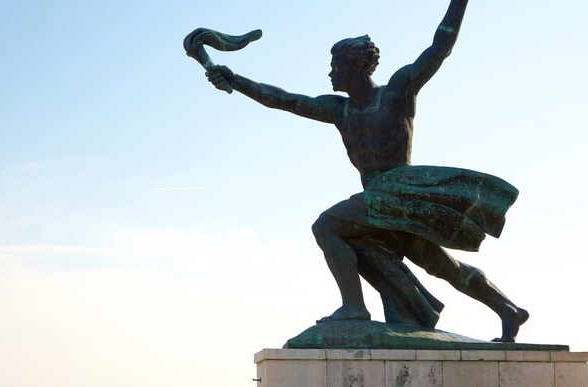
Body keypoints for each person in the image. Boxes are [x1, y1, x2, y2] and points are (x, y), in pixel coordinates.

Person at [205, 0, 528, 342]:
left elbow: (439, 48)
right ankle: (508, 310)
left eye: (337, 65)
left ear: (357, 66)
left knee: (327, 225)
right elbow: (282, 99)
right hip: (381, 199)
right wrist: (235, 80)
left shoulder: (396, 92)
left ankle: (354, 307)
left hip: (398, 190)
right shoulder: (338, 109)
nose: (331, 72)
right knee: (441, 266)